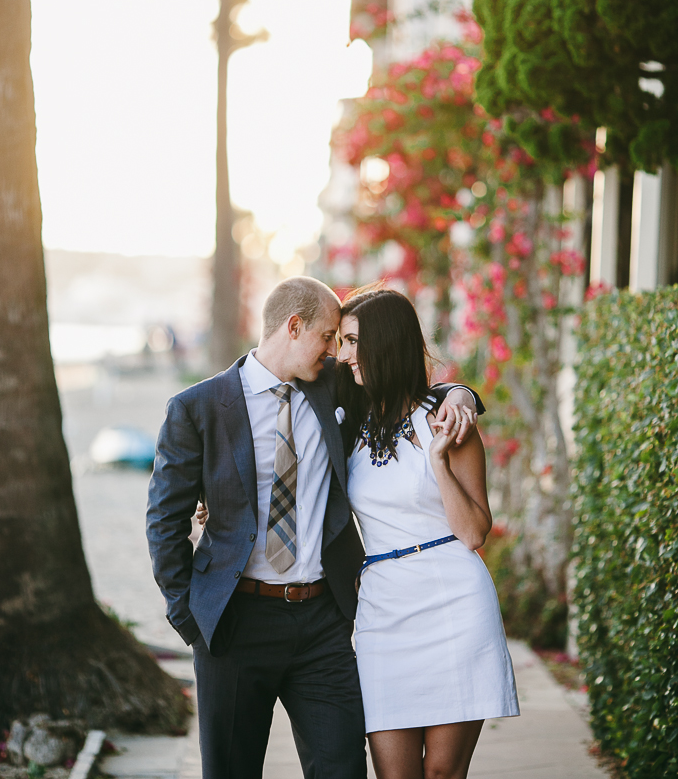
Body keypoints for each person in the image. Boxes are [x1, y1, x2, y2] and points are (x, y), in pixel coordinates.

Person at [147, 276, 478, 779]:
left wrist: (462, 394)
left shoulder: (334, 389)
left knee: (343, 768)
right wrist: (189, 618)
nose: (336, 351)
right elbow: (164, 523)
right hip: (234, 623)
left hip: (322, 622)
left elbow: (406, 387)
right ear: (294, 326)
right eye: (328, 336)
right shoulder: (197, 408)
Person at [336, 286, 519, 779]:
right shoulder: (350, 417)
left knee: (441, 774)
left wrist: (437, 459)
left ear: (385, 343)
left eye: (352, 342)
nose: (344, 354)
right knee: (394, 775)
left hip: (453, 604)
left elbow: (475, 531)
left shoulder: (447, 422)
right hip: (382, 612)